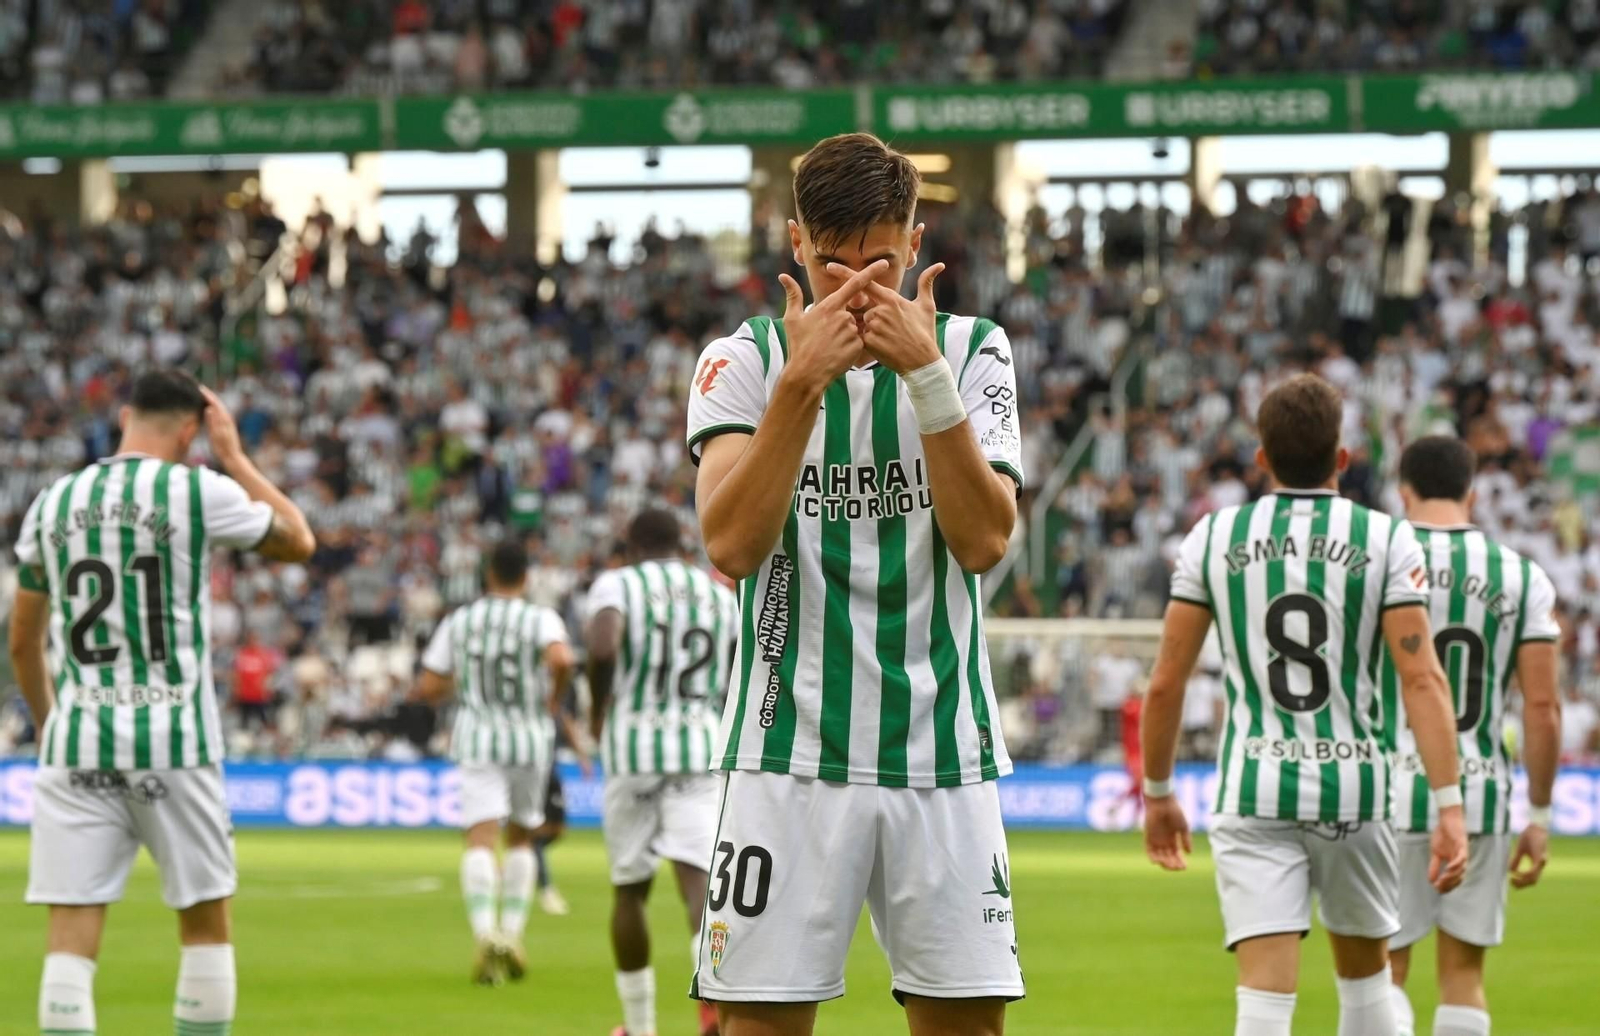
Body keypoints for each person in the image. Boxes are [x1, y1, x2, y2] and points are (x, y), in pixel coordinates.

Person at [686, 132, 1025, 1036]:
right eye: (833, 265)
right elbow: (731, 544)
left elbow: (987, 540)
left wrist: (925, 376)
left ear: (916, 246)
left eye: (880, 261)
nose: (858, 289)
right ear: (795, 244)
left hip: (943, 757)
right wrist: (800, 387)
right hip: (784, 756)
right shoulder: (746, 361)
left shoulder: (974, 352)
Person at [1139, 373, 1470, 1036]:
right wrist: (1450, 805)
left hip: (1253, 788)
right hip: (1355, 790)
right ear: (1342, 458)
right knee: (1368, 986)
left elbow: (1167, 681)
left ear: (1261, 459)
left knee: (1262, 999)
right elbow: (1423, 679)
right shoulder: (1386, 539)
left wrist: (1157, 790)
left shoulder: (1213, 536)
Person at [11, 369, 316, 1036]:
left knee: (69, 939)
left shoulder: (52, 503)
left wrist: (51, 722)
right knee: (205, 926)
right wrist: (235, 458)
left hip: (76, 743)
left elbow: (22, 641)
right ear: (191, 430)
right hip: (174, 737)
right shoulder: (198, 490)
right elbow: (300, 540)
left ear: (124, 416)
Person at [1384, 437, 1563, 1036]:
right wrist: (1537, 813)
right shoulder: (1520, 574)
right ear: (1474, 493)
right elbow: (1542, 706)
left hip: (1385, 792)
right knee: (1463, 974)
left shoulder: (1377, 559)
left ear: (1402, 490)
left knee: (1383, 974)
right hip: (1481, 792)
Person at [586, 508, 739, 1036]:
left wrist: (595, 712)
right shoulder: (717, 594)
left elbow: (603, 644)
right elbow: (744, 663)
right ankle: (714, 1012)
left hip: (633, 751)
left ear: (630, 544)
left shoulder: (618, 584)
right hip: (699, 748)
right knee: (700, 889)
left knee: (630, 891)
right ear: (681, 544)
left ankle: (640, 1027)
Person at [413, 539, 578, 985]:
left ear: (488, 575)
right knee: (522, 838)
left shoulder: (462, 619)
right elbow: (562, 658)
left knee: (481, 839)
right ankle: (512, 932)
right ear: (526, 577)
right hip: (529, 738)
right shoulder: (540, 617)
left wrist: (464, 685)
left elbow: (428, 686)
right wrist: (552, 698)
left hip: (478, 737)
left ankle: (485, 933)